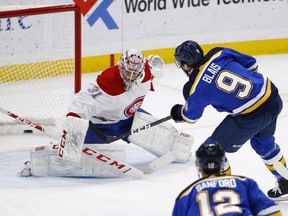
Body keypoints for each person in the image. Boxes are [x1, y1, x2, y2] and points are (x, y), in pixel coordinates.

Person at [20, 49, 194, 177]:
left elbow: (155, 65)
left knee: (172, 144)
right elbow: (79, 103)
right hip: (102, 128)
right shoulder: (106, 83)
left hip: (131, 119)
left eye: (135, 72)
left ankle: (179, 150)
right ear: (121, 66)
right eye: (127, 71)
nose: (131, 76)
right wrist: (72, 134)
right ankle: (39, 162)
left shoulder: (148, 73)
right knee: (73, 160)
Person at [170, 40, 288, 200]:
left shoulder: (193, 87)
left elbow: (191, 117)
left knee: (209, 152)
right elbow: (252, 65)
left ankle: (223, 200)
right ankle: (285, 181)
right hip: (271, 96)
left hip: (250, 116)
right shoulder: (218, 53)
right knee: (264, 144)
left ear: (185, 65)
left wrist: (178, 112)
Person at [172, 142, 283, 216]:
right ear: (221, 163)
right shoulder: (244, 183)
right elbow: (271, 211)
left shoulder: (188, 193)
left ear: (199, 165)